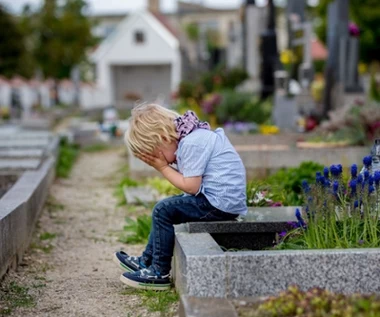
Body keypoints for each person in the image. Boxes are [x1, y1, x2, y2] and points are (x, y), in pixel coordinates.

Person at [113, 103, 247, 290]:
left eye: (157, 155)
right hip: (221, 201)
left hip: (219, 204)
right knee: (168, 208)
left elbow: (191, 187)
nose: (165, 161)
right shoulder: (193, 136)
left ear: (162, 137)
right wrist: (165, 165)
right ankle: (146, 261)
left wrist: (163, 168)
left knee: (163, 210)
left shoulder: (191, 143)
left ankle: (159, 272)